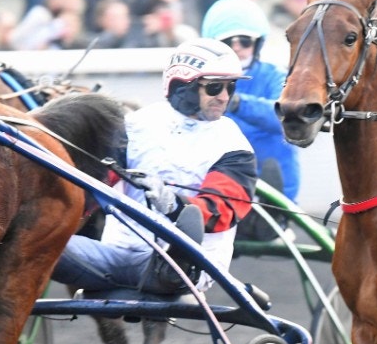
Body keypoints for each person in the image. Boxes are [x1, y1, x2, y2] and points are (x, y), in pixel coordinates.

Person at [52, 38, 257, 295]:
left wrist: (174, 204)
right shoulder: (135, 126)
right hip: (117, 256)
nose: (225, 97)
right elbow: (94, 186)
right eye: (215, 87)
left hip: (186, 269)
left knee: (176, 265)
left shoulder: (234, 146)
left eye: (231, 87)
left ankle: (174, 265)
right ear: (184, 86)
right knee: (40, 244)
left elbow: (220, 211)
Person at [200, 0, 298, 201]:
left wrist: (237, 103)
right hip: (223, 185)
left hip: (275, 192)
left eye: (244, 40)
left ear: (257, 42)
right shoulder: (201, 81)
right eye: (228, 42)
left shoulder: (275, 76)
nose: (236, 47)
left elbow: (283, 118)